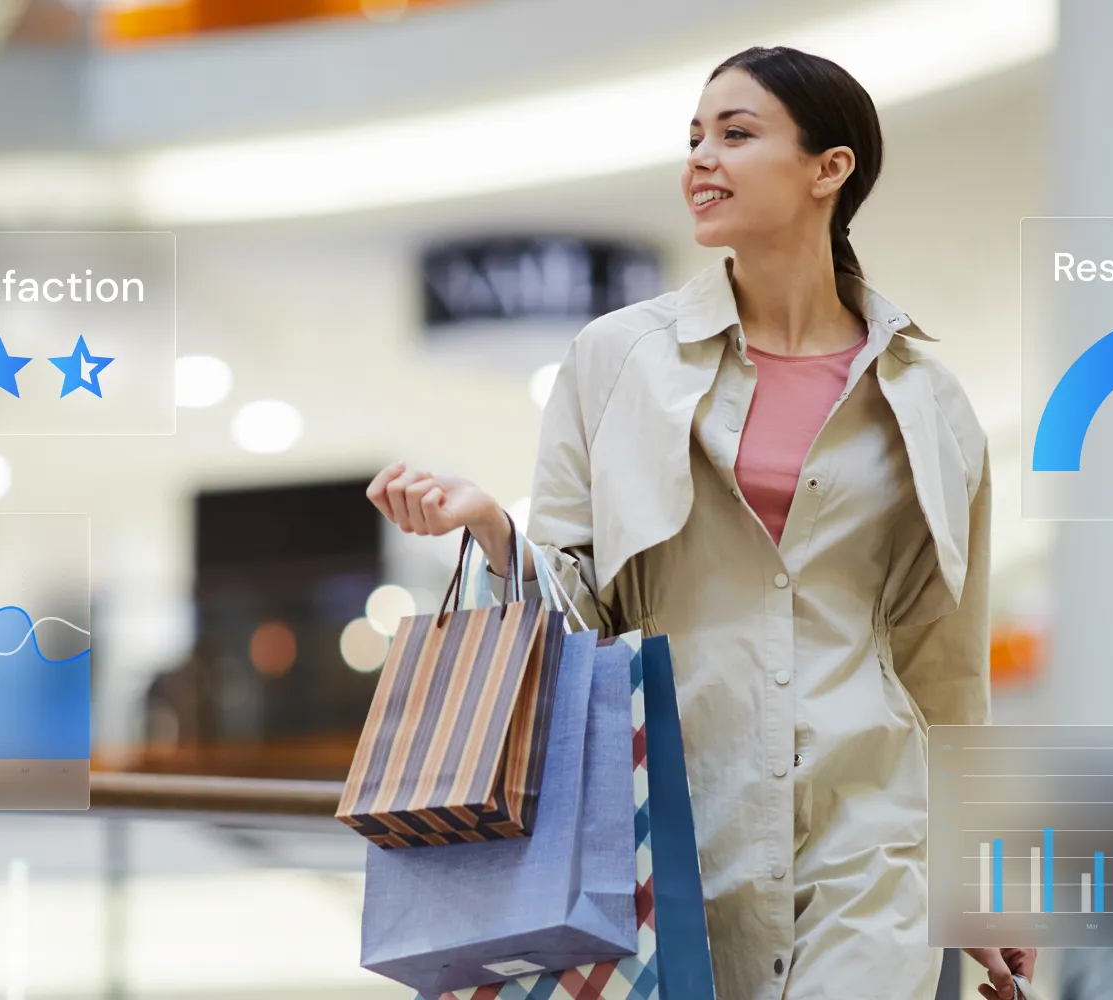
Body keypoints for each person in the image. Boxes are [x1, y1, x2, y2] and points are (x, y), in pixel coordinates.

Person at [366, 46, 1033, 1000]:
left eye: (736, 133)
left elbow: (946, 659)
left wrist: (986, 877)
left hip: (874, 828)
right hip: (663, 818)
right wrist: (492, 528)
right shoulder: (616, 360)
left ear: (828, 169)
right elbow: (576, 604)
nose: (700, 160)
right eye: (693, 138)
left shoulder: (929, 398)